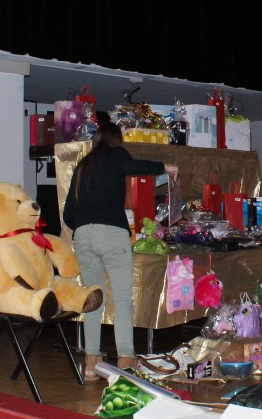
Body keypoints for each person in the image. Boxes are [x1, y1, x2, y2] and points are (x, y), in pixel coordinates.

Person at [62, 121, 178, 380]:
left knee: (92, 299)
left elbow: (68, 212)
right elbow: (134, 166)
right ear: (116, 140)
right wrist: (165, 167)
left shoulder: (83, 166)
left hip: (83, 235)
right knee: (123, 299)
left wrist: (84, 225)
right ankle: (125, 359)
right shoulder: (116, 155)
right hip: (112, 234)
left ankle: (91, 363)